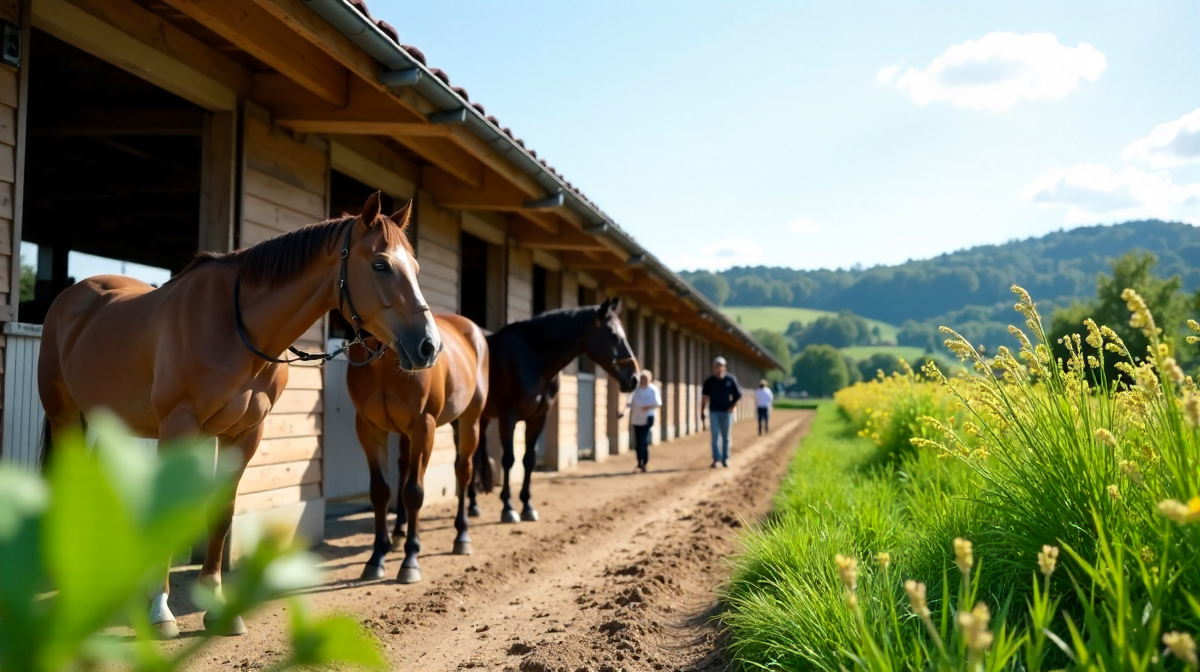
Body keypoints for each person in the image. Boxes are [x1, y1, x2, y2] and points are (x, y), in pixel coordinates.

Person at [701, 356, 741, 468]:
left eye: (720, 366)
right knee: (715, 435)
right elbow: (704, 397)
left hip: (726, 412)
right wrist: (702, 411)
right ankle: (716, 459)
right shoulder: (709, 381)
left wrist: (732, 406)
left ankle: (726, 458)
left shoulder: (730, 379)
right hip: (714, 412)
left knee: (726, 436)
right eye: (716, 366)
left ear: (724, 367)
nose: (718, 368)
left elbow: (738, 394)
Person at [626, 369, 662, 472]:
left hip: (647, 418)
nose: (643, 380)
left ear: (649, 379)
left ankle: (644, 462)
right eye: (641, 378)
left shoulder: (653, 390)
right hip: (636, 418)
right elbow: (629, 403)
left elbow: (658, 403)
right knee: (637, 442)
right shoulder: (636, 390)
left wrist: (647, 406)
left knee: (643, 441)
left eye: (645, 378)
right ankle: (639, 462)